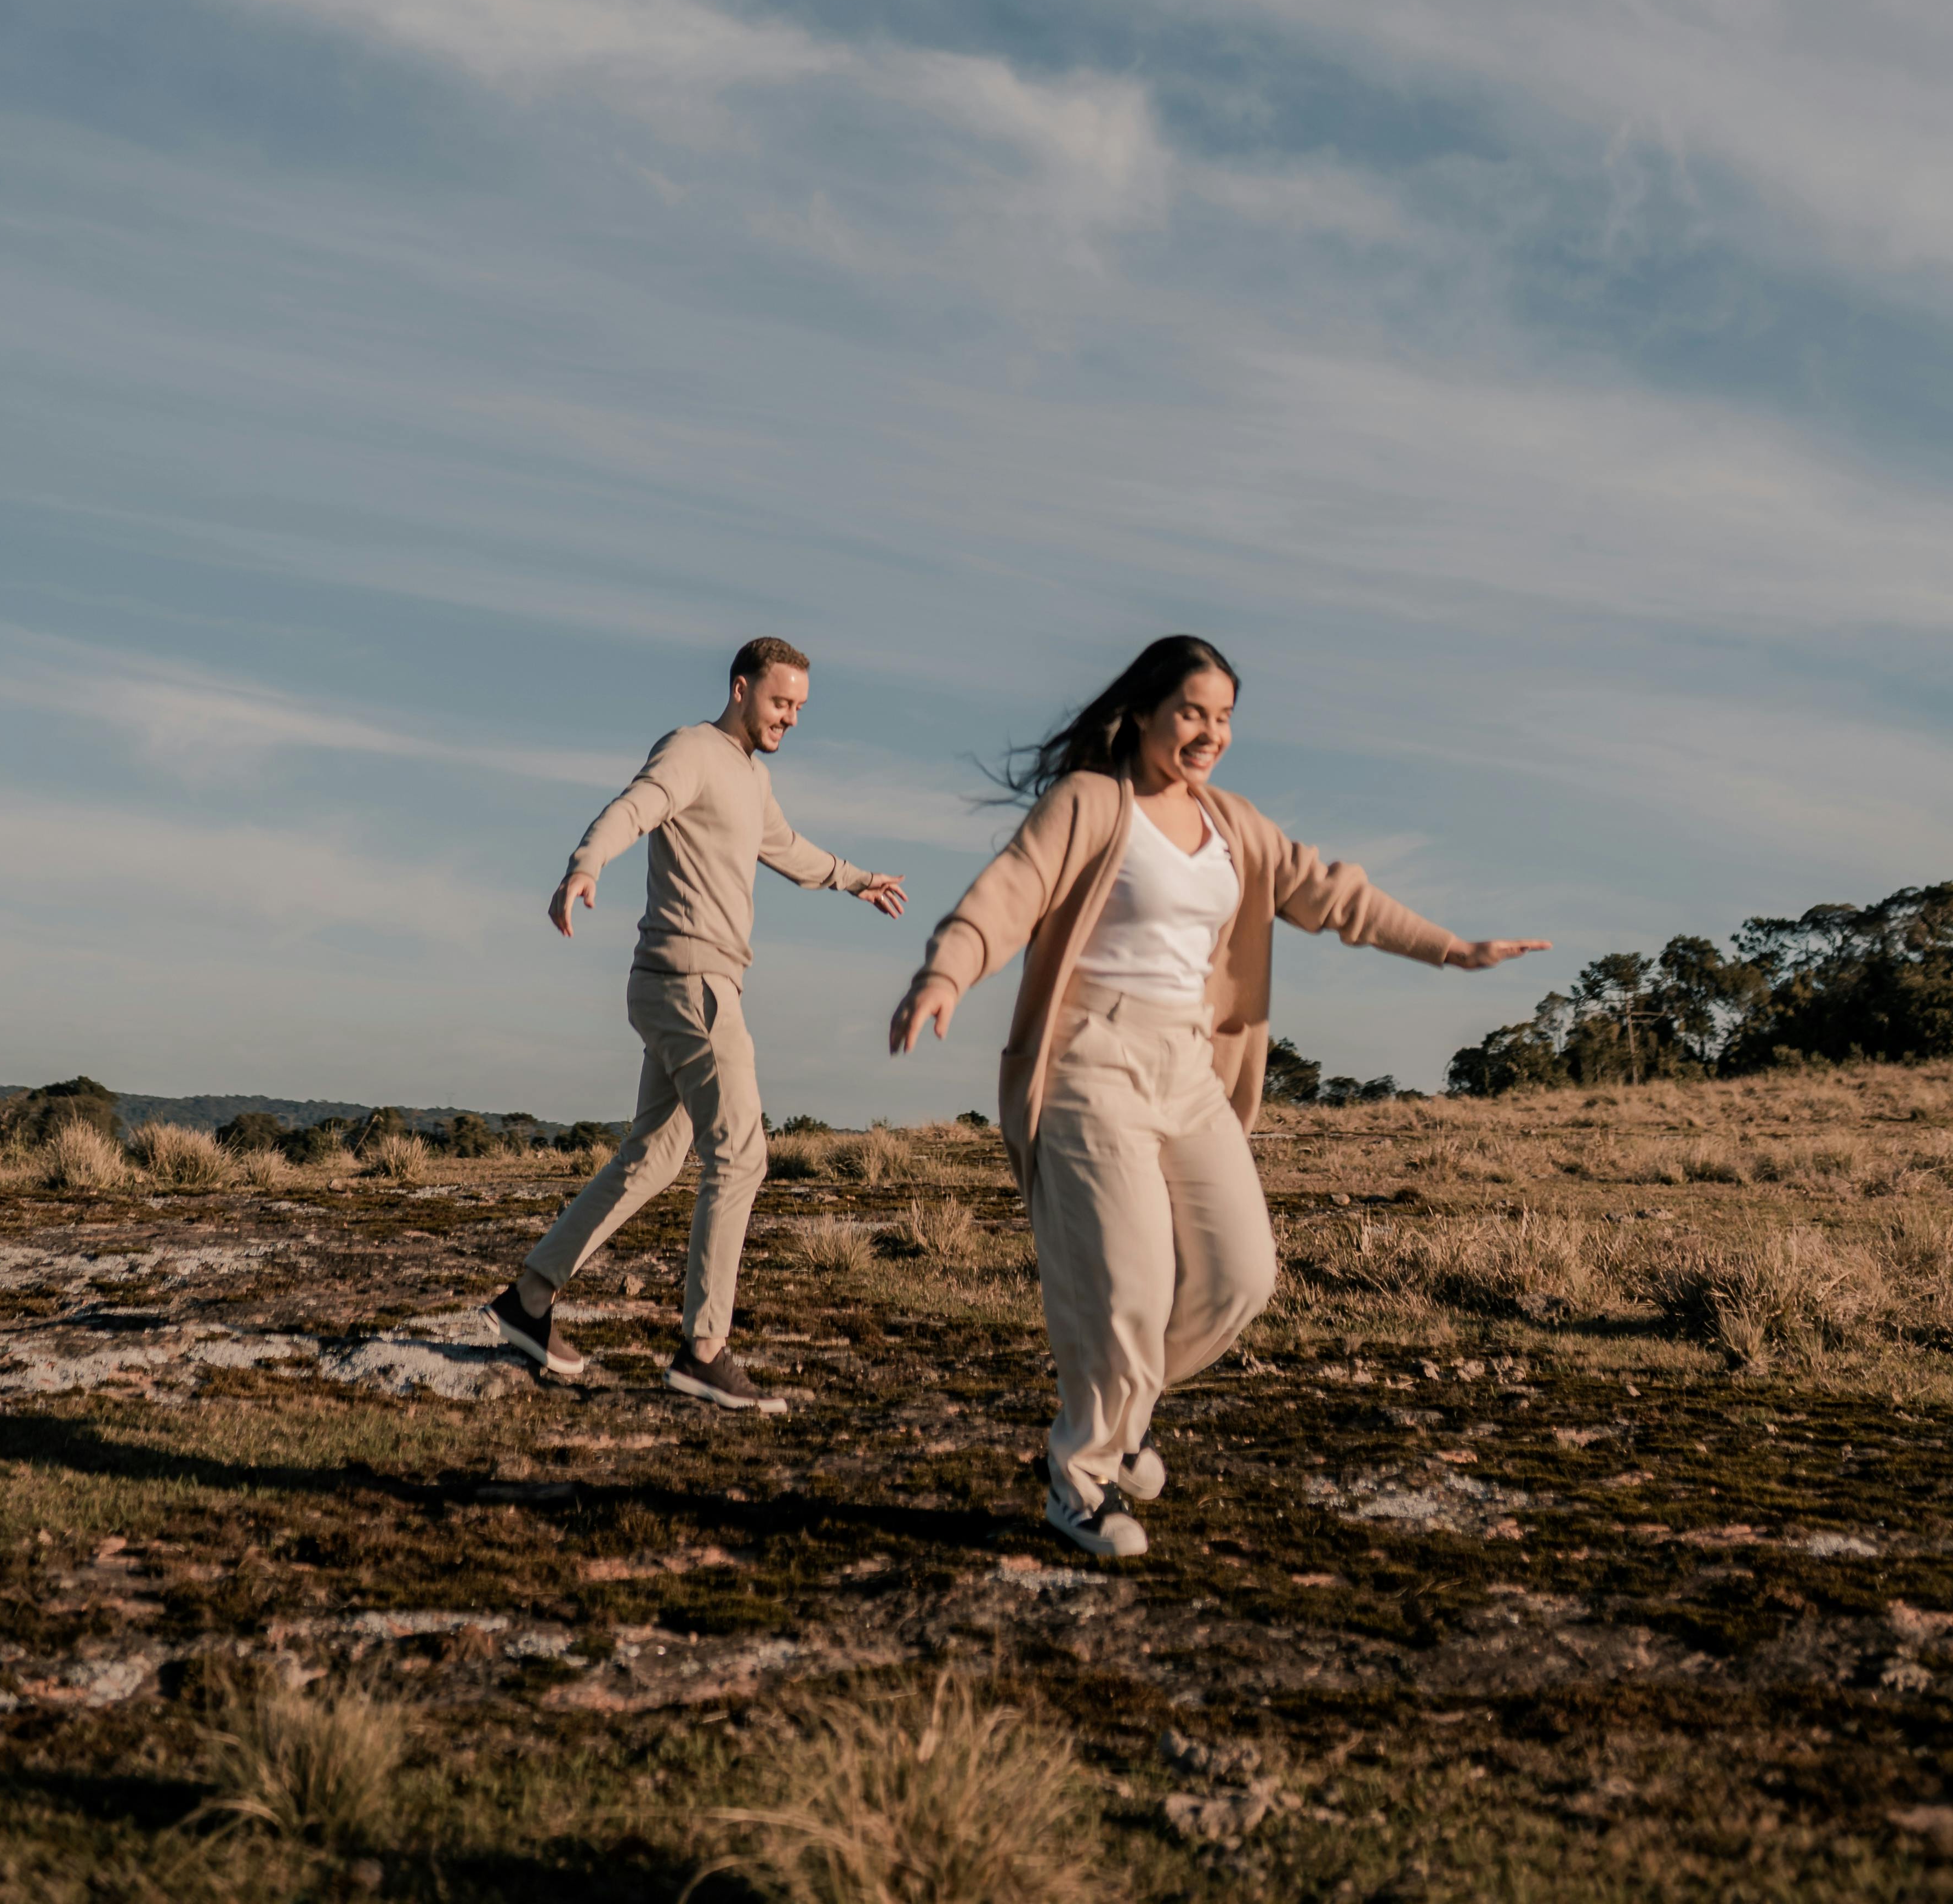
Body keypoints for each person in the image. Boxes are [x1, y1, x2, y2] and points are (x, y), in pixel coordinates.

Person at [888, 633, 1548, 1561]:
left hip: (1191, 1070)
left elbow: (1335, 894)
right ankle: (1076, 1483)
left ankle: (1124, 1415)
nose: (1210, 732)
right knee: (1131, 1287)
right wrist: (946, 975)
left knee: (1242, 1277)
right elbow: (1008, 894)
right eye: (1193, 712)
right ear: (1146, 714)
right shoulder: (1091, 802)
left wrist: (1452, 948)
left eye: (1225, 717)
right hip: (1091, 1058)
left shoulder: (1234, 825)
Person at [492, 636, 907, 1408]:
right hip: (693, 983)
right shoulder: (692, 750)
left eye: (801, 708)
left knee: (654, 1156)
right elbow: (635, 807)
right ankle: (704, 1350)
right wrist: (586, 865)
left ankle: (529, 1299)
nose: (791, 718)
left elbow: (781, 846)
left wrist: (855, 880)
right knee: (742, 1155)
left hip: (678, 985)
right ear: (742, 688)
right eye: (782, 702)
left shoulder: (751, 778)